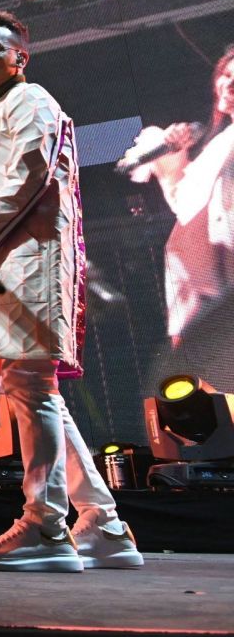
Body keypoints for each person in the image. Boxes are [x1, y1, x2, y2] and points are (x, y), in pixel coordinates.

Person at [0, 10, 143, 571]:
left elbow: (29, 174)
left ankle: (46, 527)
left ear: (19, 58)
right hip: (8, 261)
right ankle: (103, 522)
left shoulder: (33, 101)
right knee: (30, 386)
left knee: (32, 384)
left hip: (29, 261)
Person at [125, 44, 234, 391]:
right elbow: (187, 207)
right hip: (203, 307)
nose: (228, 84)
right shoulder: (219, 146)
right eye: (225, 75)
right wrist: (173, 156)